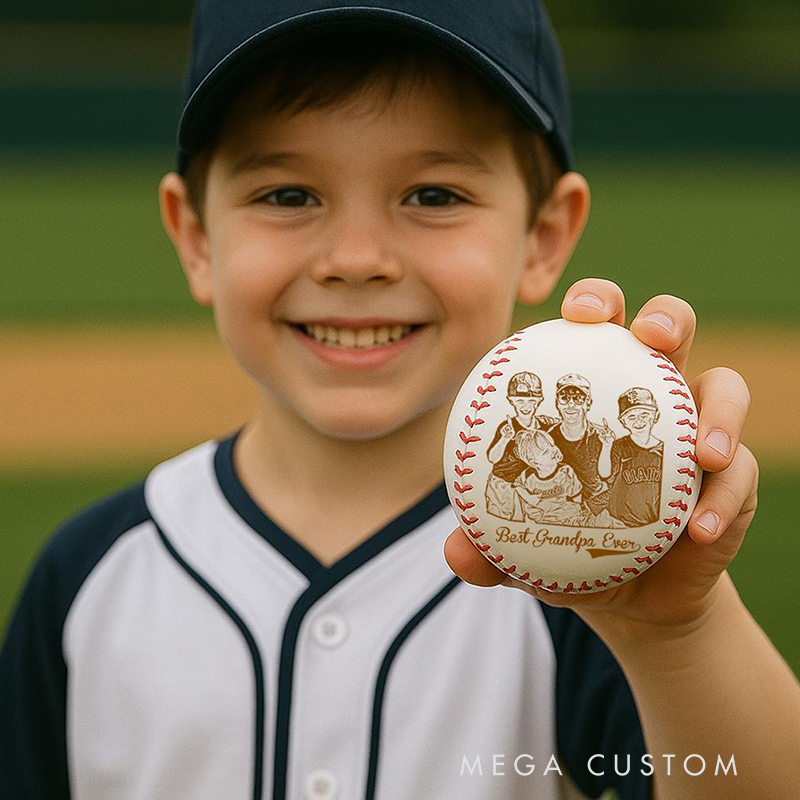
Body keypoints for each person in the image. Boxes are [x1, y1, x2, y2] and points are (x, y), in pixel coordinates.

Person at [1, 1, 798, 799]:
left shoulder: (578, 578)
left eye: (433, 195)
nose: (356, 259)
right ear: (196, 236)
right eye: (286, 196)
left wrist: (677, 633)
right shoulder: (89, 580)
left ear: (545, 236)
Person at [485, 371, 557, 521]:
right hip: (504, 485)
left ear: (539, 401)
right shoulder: (507, 427)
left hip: (529, 486)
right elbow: (492, 458)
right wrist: (504, 439)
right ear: (511, 401)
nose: (526, 406)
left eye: (531, 401)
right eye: (520, 401)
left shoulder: (544, 424)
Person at [546, 374, 617, 524]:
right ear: (557, 403)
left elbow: (615, 485)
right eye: (564, 398)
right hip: (559, 514)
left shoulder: (602, 437)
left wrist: (607, 446)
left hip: (595, 513)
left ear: (589, 403)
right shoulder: (548, 439)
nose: (571, 404)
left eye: (578, 398)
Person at [607, 387, 664, 527]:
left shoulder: (663, 450)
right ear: (623, 422)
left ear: (655, 416)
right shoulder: (619, 447)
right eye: (631, 416)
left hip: (653, 524)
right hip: (619, 523)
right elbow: (607, 478)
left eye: (644, 414)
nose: (639, 421)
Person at [512, 429, 583, 525]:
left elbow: (576, 494)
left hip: (564, 514)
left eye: (552, 445)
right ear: (534, 462)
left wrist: (578, 511)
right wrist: (528, 497)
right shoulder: (528, 475)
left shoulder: (565, 471)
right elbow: (517, 485)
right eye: (545, 452)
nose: (553, 451)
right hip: (540, 517)